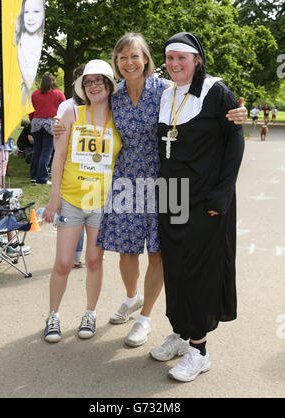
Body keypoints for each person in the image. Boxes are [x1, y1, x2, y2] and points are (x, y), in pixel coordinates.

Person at [54, 33, 247, 348]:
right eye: (122, 57)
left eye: (135, 56)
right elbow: (79, 108)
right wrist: (57, 124)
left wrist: (238, 112)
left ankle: (145, 318)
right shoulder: (113, 97)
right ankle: (132, 299)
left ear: (146, 60)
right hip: (126, 181)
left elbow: (203, 94)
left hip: (164, 181)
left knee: (159, 253)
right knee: (128, 252)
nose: (129, 62)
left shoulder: (165, 90)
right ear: (117, 64)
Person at [149, 32, 244, 383]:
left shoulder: (217, 92)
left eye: (182, 58)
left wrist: (223, 194)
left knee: (198, 271)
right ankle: (179, 331)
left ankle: (199, 350)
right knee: (174, 266)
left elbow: (235, 142)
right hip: (171, 193)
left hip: (205, 198)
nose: (175, 64)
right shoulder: (166, 94)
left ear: (197, 60)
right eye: (170, 58)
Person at [42, 60, 122, 343]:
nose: (95, 85)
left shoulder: (120, 117)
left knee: (93, 260)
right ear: (83, 87)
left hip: (102, 202)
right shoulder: (72, 113)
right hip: (72, 199)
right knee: (63, 262)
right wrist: (54, 199)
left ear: (110, 85)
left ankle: (90, 312)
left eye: (100, 80)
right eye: (89, 82)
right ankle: (53, 315)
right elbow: (59, 157)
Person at [56, 64, 86, 268]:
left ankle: (80, 254)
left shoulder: (103, 106)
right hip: (71, 169)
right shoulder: (67, 106)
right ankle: (71, 254)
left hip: (94, 172)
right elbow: (57, 134)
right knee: (74, 212)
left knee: (88, 213)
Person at [30, 73, 65, 185]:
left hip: (36, 123)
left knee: (37, 150)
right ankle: (41, 179)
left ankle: (34, 176)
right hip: (50, 124)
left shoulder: (35, 94)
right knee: (47, 152)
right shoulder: (59, 94)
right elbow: (64, 109)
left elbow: (31, 111)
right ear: (53, 81)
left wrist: (32, 121)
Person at [15, 0, 45, 109]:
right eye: (26, 12)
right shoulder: (19, 41)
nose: (30, 17)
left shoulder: (37, 41)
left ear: (43, 14)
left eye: (36, 11)